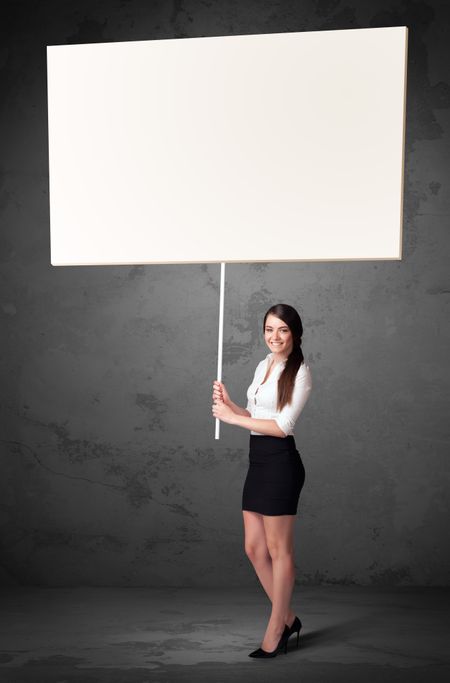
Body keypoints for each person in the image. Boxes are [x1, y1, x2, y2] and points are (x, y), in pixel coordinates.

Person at [212, 303, 312, 658]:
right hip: (258, 463)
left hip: (282, 466)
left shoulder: (300, 372)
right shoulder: (262, 365)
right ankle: (288, 617)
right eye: (269, 329)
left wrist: (233, 420)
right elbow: (256, 416)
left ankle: (276, 626)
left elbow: (282, 428)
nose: (275, 337)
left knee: (278, 551)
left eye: (282, 330)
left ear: (294, 334)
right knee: (254, 548)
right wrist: (231, 405)